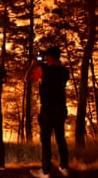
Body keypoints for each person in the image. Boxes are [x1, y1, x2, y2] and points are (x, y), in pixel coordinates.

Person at [25, 46, 70, 178]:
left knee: (45, 140)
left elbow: (27, 78)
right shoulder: (64, 71)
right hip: (60, 108)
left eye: (47, 56)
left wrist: (33, 65)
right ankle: (64, 167)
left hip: (47, 110)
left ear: (49, 56)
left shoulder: (42, 69)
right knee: (61, 138)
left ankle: (45, 171)